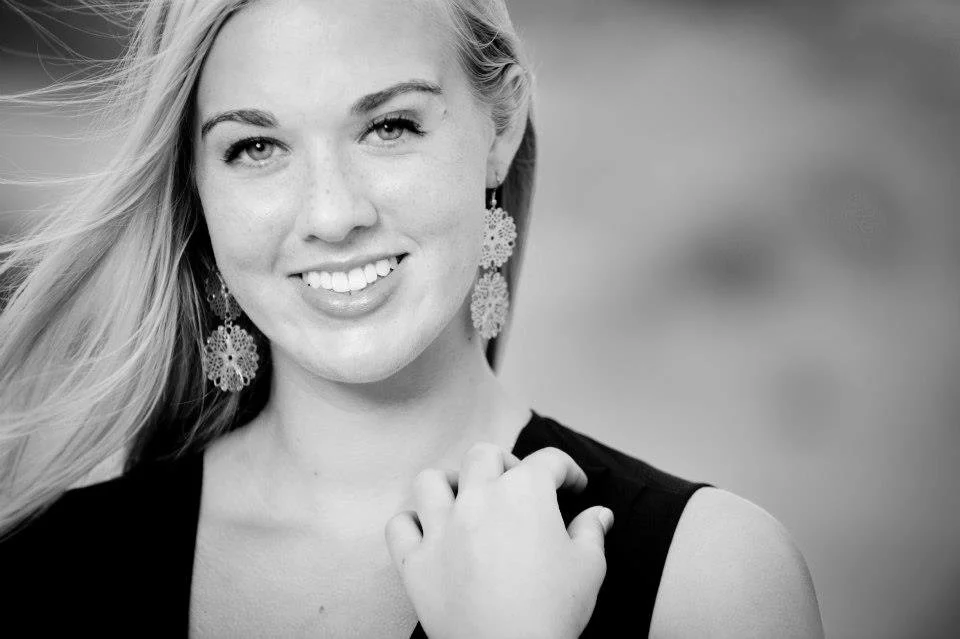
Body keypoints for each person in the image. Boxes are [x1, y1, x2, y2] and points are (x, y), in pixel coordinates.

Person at [0, 0, 823, 636]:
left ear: (499, 126)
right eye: (256, 147)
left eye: (389, 125)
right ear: (198, 187)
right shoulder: (45, 569)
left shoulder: (712, 577)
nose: (331, 214)